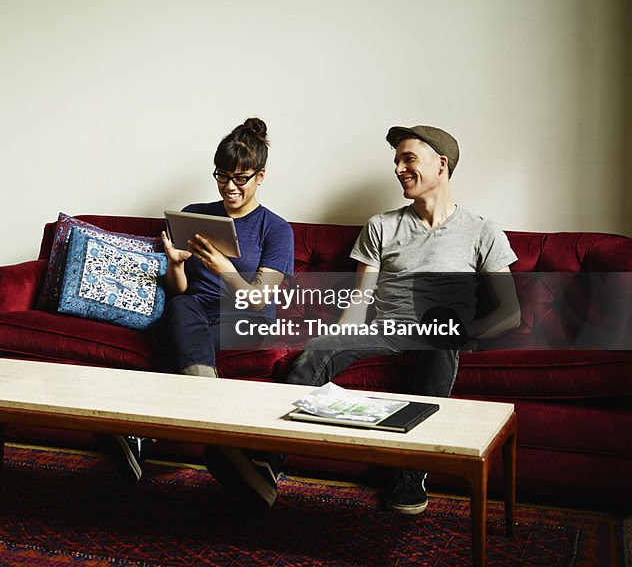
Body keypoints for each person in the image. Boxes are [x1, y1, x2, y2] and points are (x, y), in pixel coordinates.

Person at [210, 125, 521, 514]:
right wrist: (336, 341)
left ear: (441, 165)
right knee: (316, 351)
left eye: (408, 159)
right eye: (396, 161)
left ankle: (412, 473)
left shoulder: (482, 231)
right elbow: (360, 302)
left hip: (444, 333)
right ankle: (266, 461)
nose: (398, 169)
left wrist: (464, 332)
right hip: (385, 331)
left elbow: (510, 312)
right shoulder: (381, 226)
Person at [96, 118, 294, 487]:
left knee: (180, 335)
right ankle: (211, 414)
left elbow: (259, 300)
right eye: (222, 176)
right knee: (181, 309)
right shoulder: (195, 214)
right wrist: (174, 263)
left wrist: (224, 269)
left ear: (260, 177)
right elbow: (180, 289)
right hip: (194, 313)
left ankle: (142, 434)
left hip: (246, 320)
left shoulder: (276, 229)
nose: (230, 186)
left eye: (241, 178)